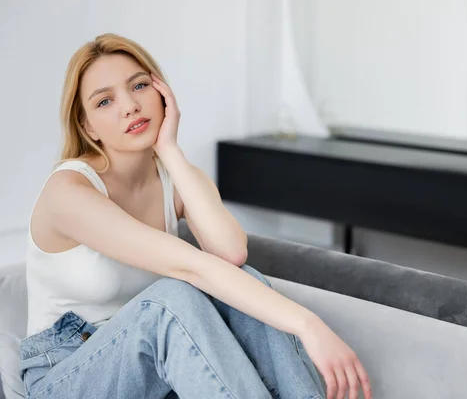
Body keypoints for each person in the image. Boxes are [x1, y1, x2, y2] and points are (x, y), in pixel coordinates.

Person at [19, 32, 373, 399]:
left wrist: (169, 149)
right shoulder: (69, 192)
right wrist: (307, 324)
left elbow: (231, 254)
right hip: (64, 375)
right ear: (88, 126)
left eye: (139, 86)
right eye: (105, 101)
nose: (129, 106)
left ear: (162, 93)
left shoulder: (176, 178)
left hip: (152, 369)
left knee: (241, 283)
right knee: (171, 299)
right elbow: (190, 269)